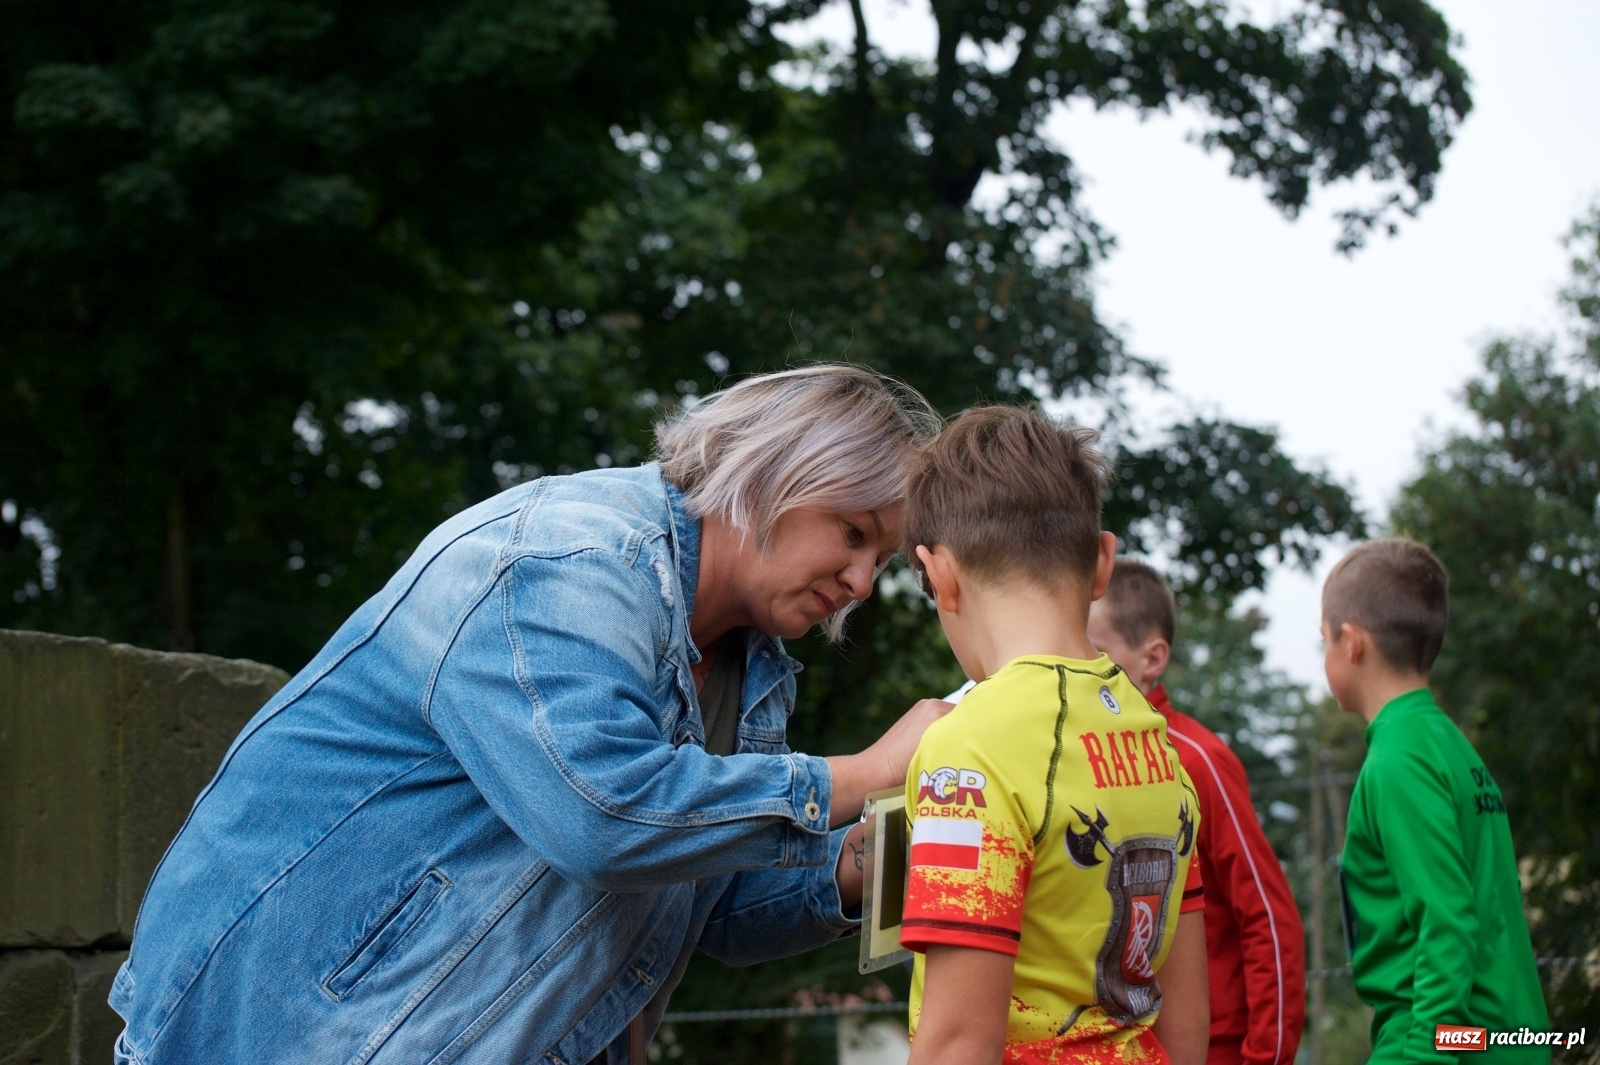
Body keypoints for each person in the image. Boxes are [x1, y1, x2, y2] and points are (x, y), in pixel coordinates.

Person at [109, 365, 952, 1065]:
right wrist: (868, 772)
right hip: (293, 1036)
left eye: (879, 557)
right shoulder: (562, 560)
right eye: (851, 532)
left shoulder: (753, 669)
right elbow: (604, 818)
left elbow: (706, 899)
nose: (860, 582)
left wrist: (853, 864)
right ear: (771, 472)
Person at [898, 405, 1210, 1065]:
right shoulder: (1160, 739)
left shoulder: (968, 750)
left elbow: (958, 1040)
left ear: (941, 575)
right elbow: (1186, 1022)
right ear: (1102, 563)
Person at [1323, 538, 1549, 1063]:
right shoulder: (1448, 745)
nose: (1326, 654)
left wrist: (1423, 1054)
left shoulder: (1398, 763)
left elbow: (1447, 922)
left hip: (1443, 1048)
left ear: (1352, 644)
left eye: (1324, 640)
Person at [1088, 560, 1306, 1065]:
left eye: (1097, 652)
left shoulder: (1197, 759)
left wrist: (1266, 1056)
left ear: (1153, 658)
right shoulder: (1079, 756)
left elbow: (1269, 917)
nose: (1081, 667)